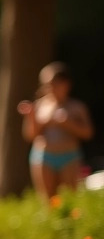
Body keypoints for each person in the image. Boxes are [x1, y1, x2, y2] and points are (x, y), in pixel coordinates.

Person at [19, 62, 94, 203]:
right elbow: (29, 136)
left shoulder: (76, 107)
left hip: (70, 157)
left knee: (71, 200)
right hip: (43, 158)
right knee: (48, 201)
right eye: (46, 84)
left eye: (54, 83)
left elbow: (88, 133)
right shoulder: (38, 106)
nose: (50, 88)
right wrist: (32, 118)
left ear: (66, 84)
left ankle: (70, 224)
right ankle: (52, 224)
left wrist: (68, 124)